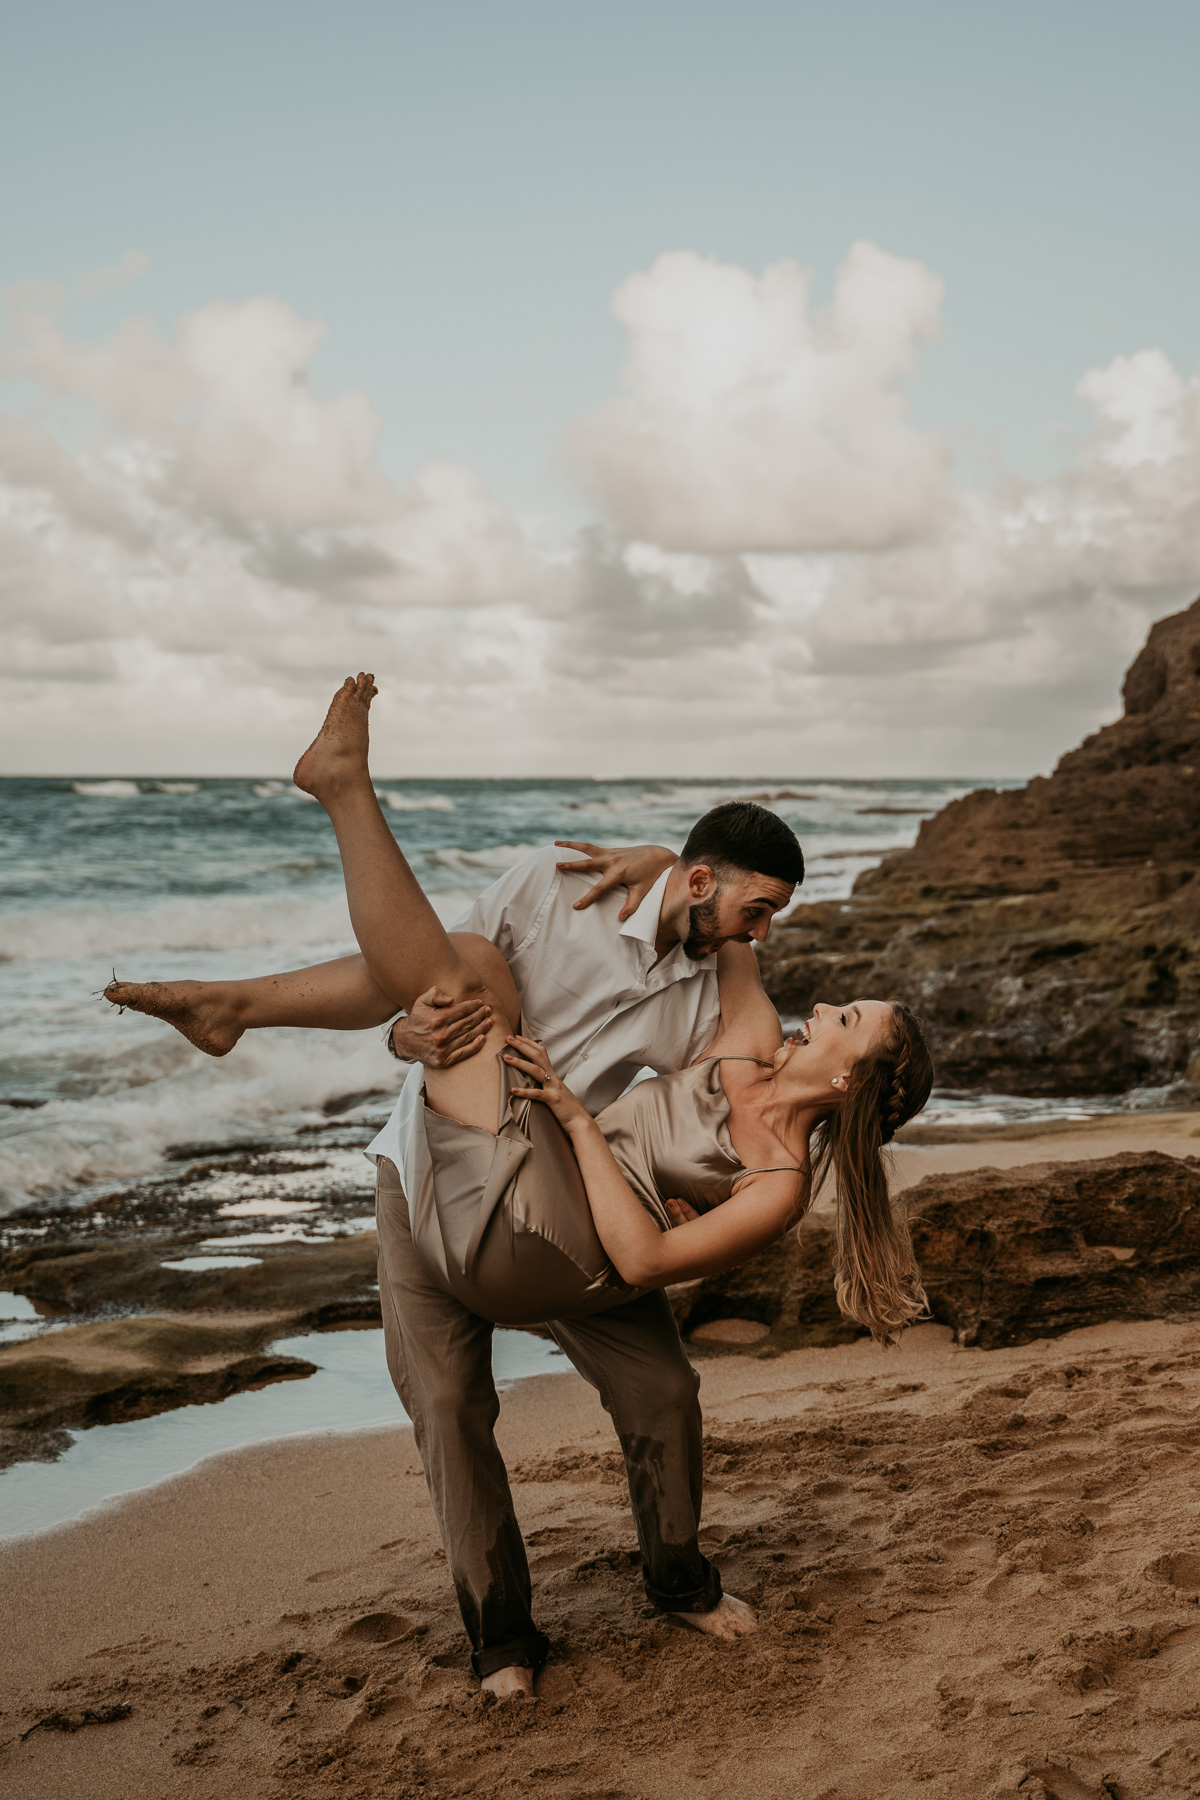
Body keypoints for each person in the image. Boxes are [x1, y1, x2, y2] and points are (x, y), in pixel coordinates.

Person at [106, 674, 933, 1697]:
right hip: (436, 1162)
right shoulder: (558, 880)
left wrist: (679, 897)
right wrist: (408, 1030)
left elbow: (731, 1022)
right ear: (705, 879)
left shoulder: (719, 1015)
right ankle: (502, 1640)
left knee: (666, 1394)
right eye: (756, 911)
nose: (766, 939)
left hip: (569, 1197)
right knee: (451, 1401)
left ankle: (679, 1584)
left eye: (771, 923)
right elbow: (413, 975)